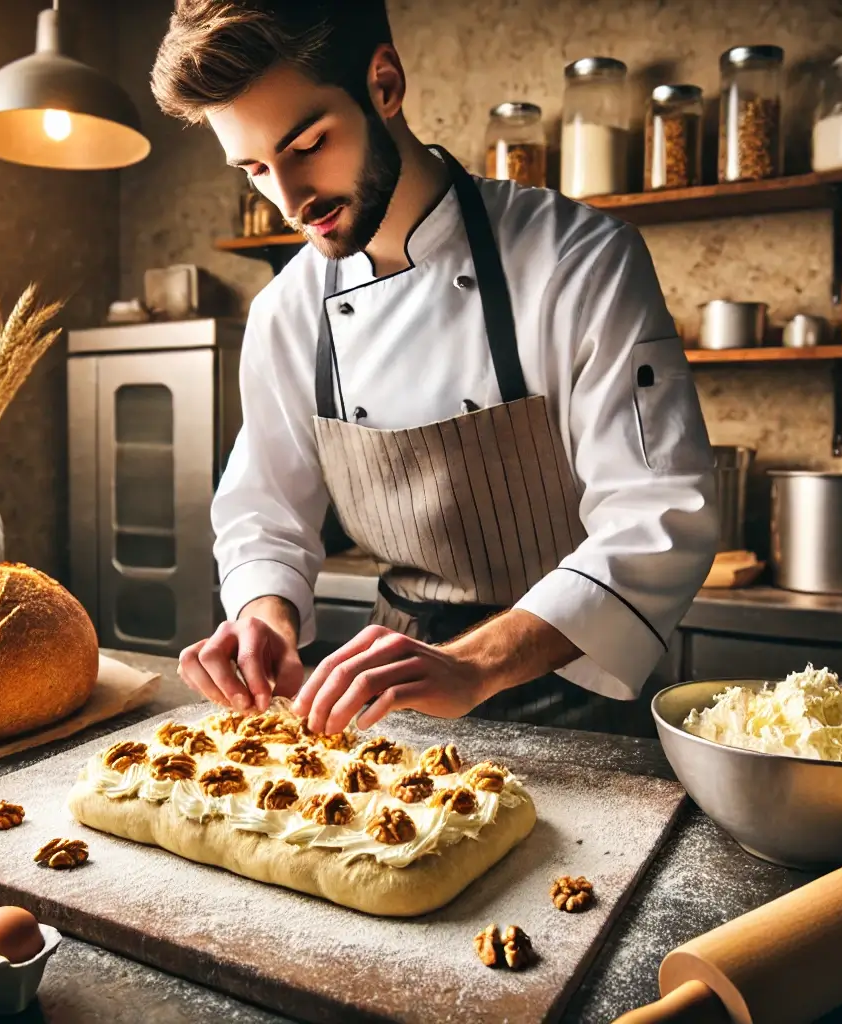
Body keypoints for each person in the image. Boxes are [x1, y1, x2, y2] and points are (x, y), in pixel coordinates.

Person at [153, 1, 719, 737]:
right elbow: (264, 510)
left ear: (384, 84)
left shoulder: (575, 260)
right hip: (391, 708)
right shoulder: (288, 311)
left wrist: (476, 665)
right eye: (257, 168)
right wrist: (266, 614)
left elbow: (660, 513)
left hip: (581, 698)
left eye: (308, 144)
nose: (290, 201)